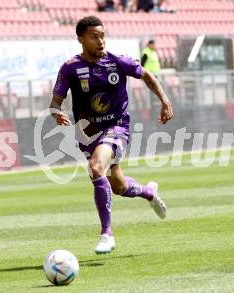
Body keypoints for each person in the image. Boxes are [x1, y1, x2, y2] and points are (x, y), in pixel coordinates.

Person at [50, 16, 174, 254]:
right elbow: (56, 101)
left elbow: (147, 75)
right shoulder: (70, 68)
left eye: (103, 36)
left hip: (117, 127)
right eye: (94, 37)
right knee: (118, 186)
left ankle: (107, 233)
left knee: (96, 168)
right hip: (87, 134)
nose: (100, 41)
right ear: (80, 39)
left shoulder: (117, 62)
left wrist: (165, 101)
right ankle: (149, 192)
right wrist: (57, 113)